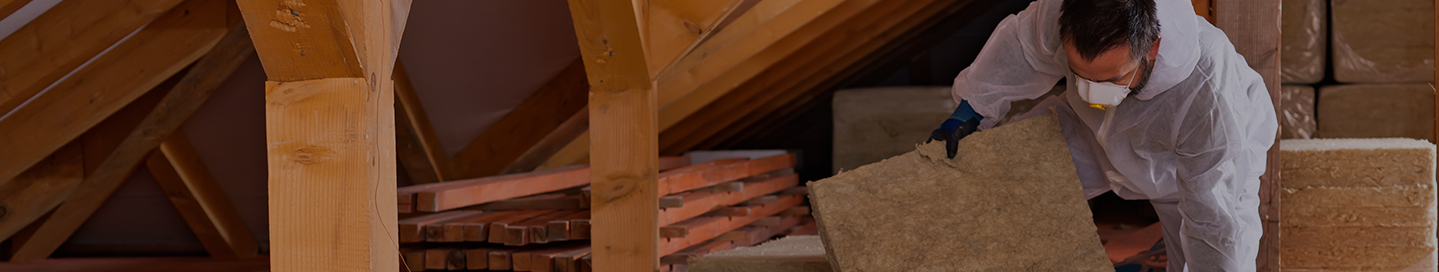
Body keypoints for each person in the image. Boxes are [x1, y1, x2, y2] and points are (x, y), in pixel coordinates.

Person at [927, 0, 1277, 271]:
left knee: (1212, 254)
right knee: (1002, 171)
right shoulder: (1059, 12)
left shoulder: (1207, 92)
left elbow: (1213, 224)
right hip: (1089, 129)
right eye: (1081, 75)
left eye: (1111, 80)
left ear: (1152, 48)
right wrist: (971, 109)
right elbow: (1021, 48)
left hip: (1186, 169)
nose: (1094, 92)